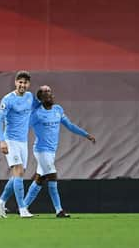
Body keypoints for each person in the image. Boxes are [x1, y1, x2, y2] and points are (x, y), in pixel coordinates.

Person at [23, 86, 96, 217]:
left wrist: (86, 134)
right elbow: (24, 128)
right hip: (41, 150)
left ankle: (23, 206)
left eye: (50, 92)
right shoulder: (36, 114)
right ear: (41, 98)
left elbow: (70, 125)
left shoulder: (58, 110)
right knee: (53, 176)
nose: (50, 95)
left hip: (51, 152)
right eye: (46, 93)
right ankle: (59, 210)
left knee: (40, 179)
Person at [0, 71, 39, 218]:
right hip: (10, 140)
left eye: (25, 83)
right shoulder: (8, 99)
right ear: (15, 82)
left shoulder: (30, 97)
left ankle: (1, 202)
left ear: (28, 85)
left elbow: (39, 105)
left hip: (23, 141)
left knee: (17, 175)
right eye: (20, 82)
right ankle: (22, 209)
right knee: (18, 171)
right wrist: (2, 141)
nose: (22, 85)